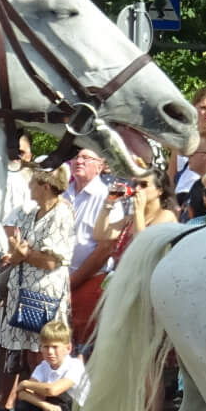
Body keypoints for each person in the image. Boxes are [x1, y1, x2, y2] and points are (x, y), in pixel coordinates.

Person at [0, 165, 76, 411]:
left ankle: (46, 410)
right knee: (16, 352)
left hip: (44, 296)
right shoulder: (31, 214)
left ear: (45, 186)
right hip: (20, 291)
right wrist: (21, 253)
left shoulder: (61, 215)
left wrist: (24, 253)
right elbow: (17, 252)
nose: (29, 188)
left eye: (34, 183)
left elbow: (50, 262)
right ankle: (12, 406)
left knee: (44, 352)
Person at [62, 148, 118, 348]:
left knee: (84, 348)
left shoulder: (107, 197)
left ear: (100, 166)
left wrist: (72, 283)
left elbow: (106, 248)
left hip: (89, 283)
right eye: (76, 156)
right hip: (58, 282)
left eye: (86, 157)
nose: (79, 160)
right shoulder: (63, 195)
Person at [12, 319, 88, 411]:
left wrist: (25, 383)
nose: (50, 352)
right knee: (23, 406)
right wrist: (45, 405)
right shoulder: (42, 367)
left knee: (58, 397)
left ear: (68, 348)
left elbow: (53, 390)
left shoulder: (75, 366)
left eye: (55, 347)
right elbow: (23, 395)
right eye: (45, 347)